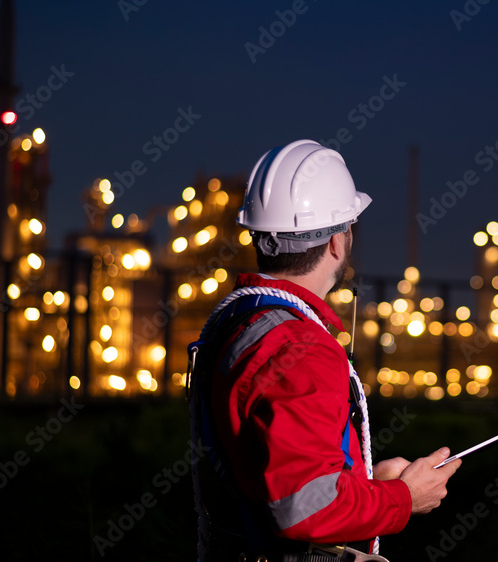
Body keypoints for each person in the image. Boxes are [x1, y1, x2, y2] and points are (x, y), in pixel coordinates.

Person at [188, 140, 460, 562]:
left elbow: (274, 467)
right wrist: (405, 497)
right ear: (338, 241)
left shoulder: (242, 320)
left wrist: (368, 481)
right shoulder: (303, 348)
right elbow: (302, 507)